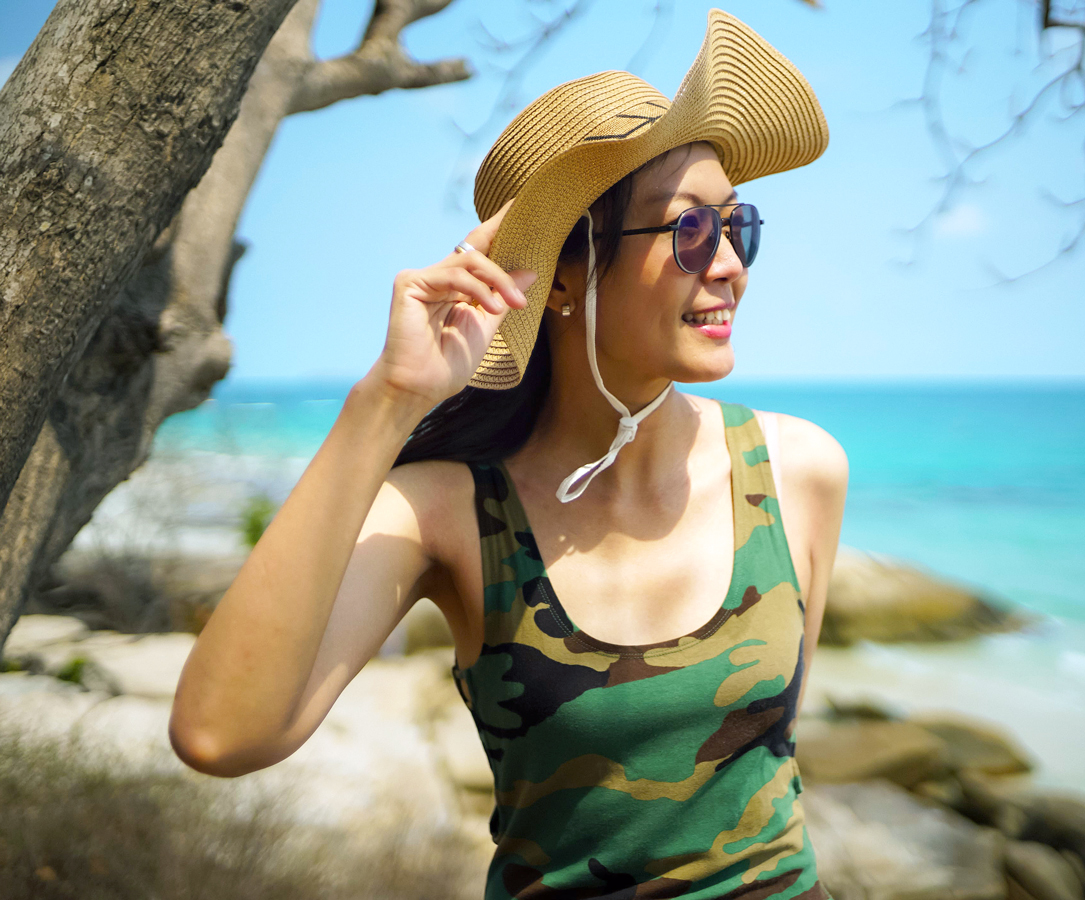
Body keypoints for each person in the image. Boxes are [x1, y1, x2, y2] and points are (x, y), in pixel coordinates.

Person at [170, 9, 847, 899]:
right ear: (562, 277)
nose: (728, 265)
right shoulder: (446, 513)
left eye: (737, 225)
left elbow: (772, 765)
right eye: (689, 232)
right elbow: (221, 735)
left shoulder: (798, 471)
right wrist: (386, 403)